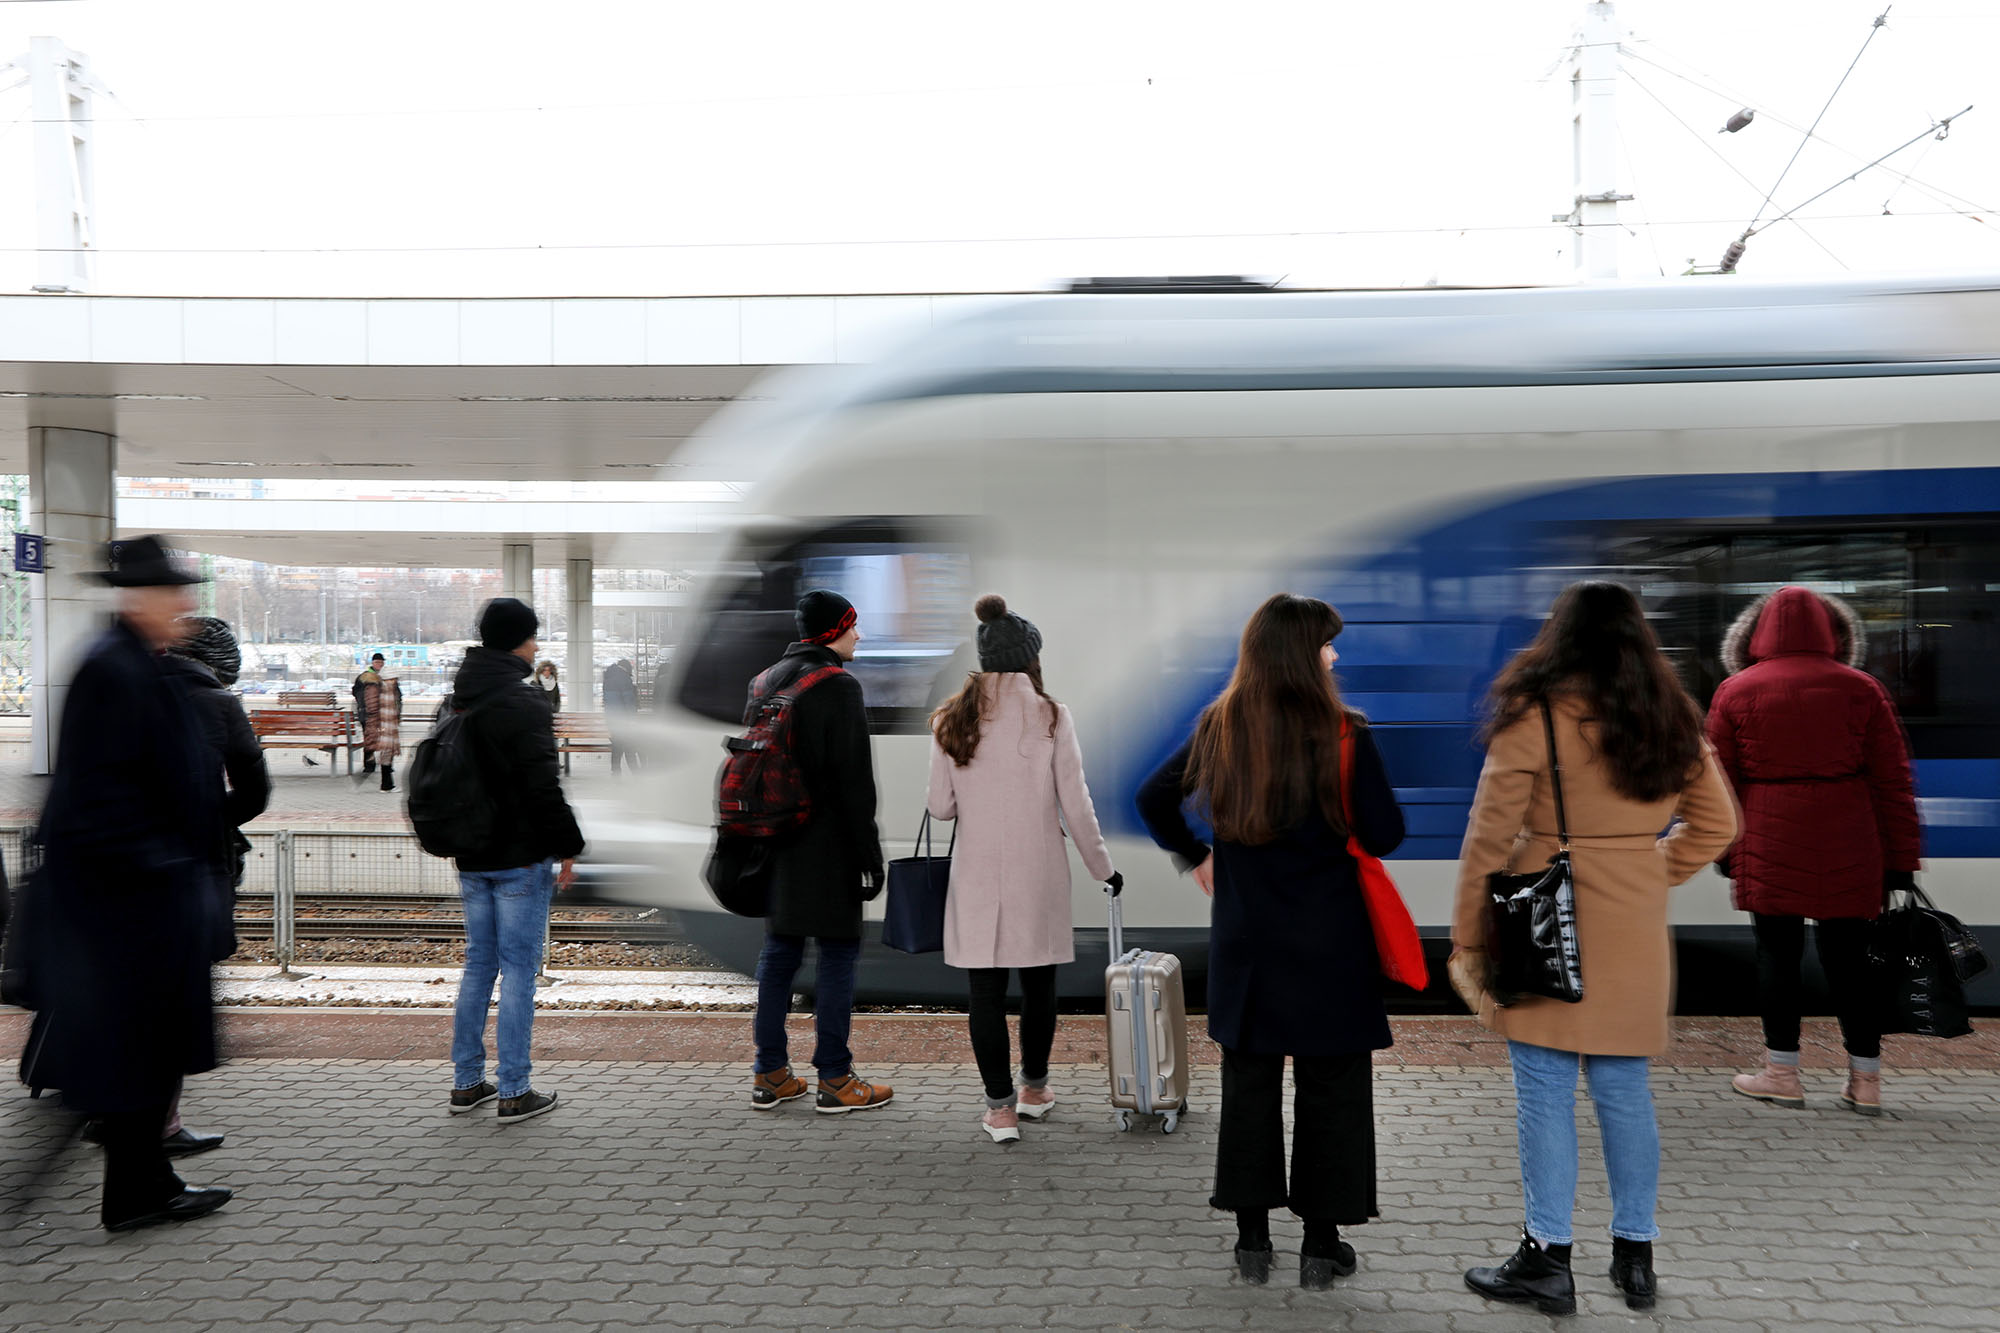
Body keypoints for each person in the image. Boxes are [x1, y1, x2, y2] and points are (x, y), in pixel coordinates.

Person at [1452, 582, 1738, 1316]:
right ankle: (1635, 1254)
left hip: (1544, 920)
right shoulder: (1668, 718)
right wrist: (1646, 868)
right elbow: (1717, 825)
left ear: (1559, 636)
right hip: (1633, 923)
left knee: (1544, 1094)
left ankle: (1547, 1258)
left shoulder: (1537, 717)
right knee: (1624, 1091)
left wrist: (1467, 933)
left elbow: (1487, 837)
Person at [1137, 594, 1405, 1291]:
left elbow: (1152, 796)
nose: (1335, 655)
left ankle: (1251, 1241)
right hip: (1331, 944)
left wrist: (1196, 852)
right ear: (1299, 652)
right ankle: (1321, 1245)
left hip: (1248, 943)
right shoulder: (1345, 732)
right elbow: (1385, 833)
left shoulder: (1221, 725)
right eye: (1326, 644)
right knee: (1332, 1087)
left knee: (1250, 1082)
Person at [19, 536, 233, 1231]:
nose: (186, 608)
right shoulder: (113, 670)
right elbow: (96, 801)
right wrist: (162, 865)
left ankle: (146, 1184)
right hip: (125, 911)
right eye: (176, 595)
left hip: (143, 904)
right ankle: (137, 1191)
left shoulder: (139, 663)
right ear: (139, 598)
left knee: (142, 1054)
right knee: (134, 1053)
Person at [1707, 587, 1921, 1116]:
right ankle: (1865, 1082)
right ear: (1833, 633)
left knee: (1776, 956)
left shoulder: (1735, 690)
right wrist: (1900, 860)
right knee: (1851, 962)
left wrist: (1722, 850)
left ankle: (1782, 1074)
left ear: (1757, 633)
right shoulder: (1862, 689)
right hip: (1851, 836)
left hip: (1768, 833)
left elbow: (1718, 783)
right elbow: (1893, 781)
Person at [927, 595, 1119, 1145]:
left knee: (984, 993)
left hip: (978, 875)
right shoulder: (1051, 714)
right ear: (1032, 658)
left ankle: (1000, 1110)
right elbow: (1075, 803)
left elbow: (941, 807)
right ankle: (1035, 1091)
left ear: (984, 658)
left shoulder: (949, 718)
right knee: (1040, 986)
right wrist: (1102, 868)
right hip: (1039, 873)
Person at [747, 590, 893, 1115]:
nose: (860, 636)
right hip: (827, 847)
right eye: (854, 627)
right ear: (834, 630)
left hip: (776, 844)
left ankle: (771, 1073)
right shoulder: (838, 686)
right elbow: (855, 784)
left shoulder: (765, 681)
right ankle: (834, 1077)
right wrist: (869, 856)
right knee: (836, 956)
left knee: (779, 956)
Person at [445, 597, 585, 1124]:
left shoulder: (456, 698)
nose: (536, 646)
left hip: (471, 852)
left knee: (480, 964)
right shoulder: (525, 704)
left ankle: (465, 1084)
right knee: (520, 970)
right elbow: (543, 788)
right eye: (532, 638)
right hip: (520, 856)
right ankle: (514, 1090)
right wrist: (570, 845)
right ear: (518, 642)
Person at [155, 614, 272, 1154]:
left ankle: (102, 1107)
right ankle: (163, 1126)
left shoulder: (130, 688)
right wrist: (214, 818)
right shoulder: (219, 704)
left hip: (122, 872)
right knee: (172, 1003)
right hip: (193, 870)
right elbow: (253, 790)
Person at [355, 656, 403, 793]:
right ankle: (382, 781)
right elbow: (370, 706)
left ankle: (386, 783)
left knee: (385, 751)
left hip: (386, 724)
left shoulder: (388, 688)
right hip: (380, 724)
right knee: (383, 749)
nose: (396, 681)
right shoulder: (373, 685)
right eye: (394, 679)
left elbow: (397, 702)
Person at [603, 657, 640, 773]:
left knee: (617, 745)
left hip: (612, 719)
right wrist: (633, 719)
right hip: (624, 720)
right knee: (629, 746)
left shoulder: (608, 679)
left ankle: (615, 771)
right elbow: (628, 701)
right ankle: (635, 772)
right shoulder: (624, 679)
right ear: (627, 668)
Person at [352, 653, 384, 779]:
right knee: (370, 739)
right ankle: (369, 765)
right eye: (377, 662)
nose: (379, 665)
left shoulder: (382, 677)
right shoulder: (365, 677)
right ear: (373, 663)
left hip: (379, 713)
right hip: (368, 713)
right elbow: (356, 692)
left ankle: (381, 765)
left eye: (381, 663)